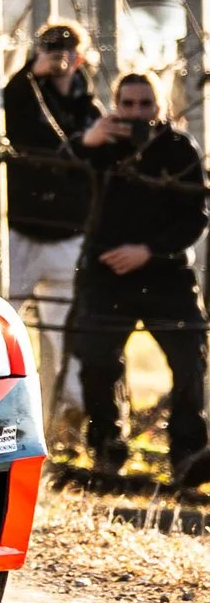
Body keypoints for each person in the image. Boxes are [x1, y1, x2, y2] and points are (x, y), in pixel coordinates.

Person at [65, 71, 209, 478]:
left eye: (145, 104)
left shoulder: (179, 148)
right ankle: (106, 447)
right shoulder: (100, 145)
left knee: (188, 359)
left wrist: (149, 251)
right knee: (96, 361)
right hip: (105, 275)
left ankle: (187, 453)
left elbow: (196, 216)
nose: (136, 112)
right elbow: (56, 176)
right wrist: (83, 145)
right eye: (127, 104)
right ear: (115, 105)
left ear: (159, 106)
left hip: (166, 274)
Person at [3, 21, 101, 421]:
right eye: (49, 51)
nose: (58, 59)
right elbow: (11, 113)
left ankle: (74, 413)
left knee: (68, 333)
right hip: (22, 227)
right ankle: (0, 410)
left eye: (65, 52)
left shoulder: (89, 110)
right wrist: (31, 74)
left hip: (68, 234)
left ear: (79, 58)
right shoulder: (23, 94)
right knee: (2, 323)